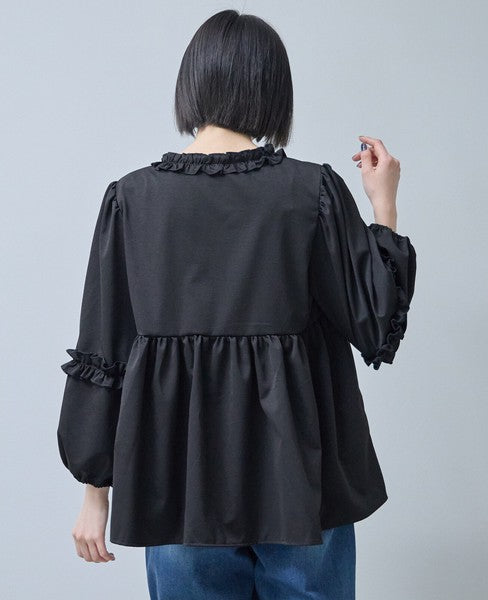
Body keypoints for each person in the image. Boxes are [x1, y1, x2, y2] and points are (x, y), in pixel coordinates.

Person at [56, 8, 416, 600]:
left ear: (192, 84)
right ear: (273, 89)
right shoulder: (312, 190)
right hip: (301, 483)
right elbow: (375, 323)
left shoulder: (132, 199)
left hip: (179, 486)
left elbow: (104, 346)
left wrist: (95, 494)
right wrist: (384, 207)